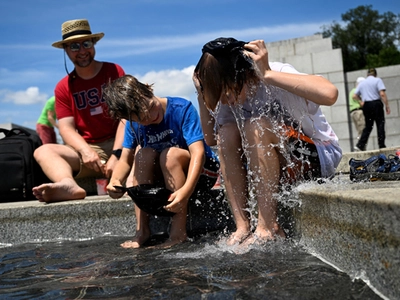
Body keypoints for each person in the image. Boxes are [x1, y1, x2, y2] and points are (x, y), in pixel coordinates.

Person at [193, 38, 342, 246]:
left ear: (245, 74)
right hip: (280, 166)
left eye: (229, 92)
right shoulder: (227, 96)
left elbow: (330, 94)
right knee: (226, 133)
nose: (227, 101)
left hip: (317, 156)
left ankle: (267, 227)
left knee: (255, 125)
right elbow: (211, 139)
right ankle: (243, 225)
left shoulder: (273, 72)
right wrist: (202, 94)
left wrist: (269, 74)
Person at [103, 75, 220, 249]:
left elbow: (198, 153)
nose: (151, 117)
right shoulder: (133, 125)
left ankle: (178, 232)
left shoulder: (181, 108)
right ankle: (142, 230)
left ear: (149, 90)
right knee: (143, 155)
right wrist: (115, 181)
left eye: (151, 107)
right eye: (142, 119)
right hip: (167, 177)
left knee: (170, 155)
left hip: (202, 173)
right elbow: (126, 159)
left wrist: (186, 191)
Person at [32, 19, 126, 203]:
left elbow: (126, 117)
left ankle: (126, 179)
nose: (82, 51)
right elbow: (66, 127)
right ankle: (68, 184)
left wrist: (117, 153)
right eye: (74, 46)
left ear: (94, 44)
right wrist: (86, 151)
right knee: (43, 151)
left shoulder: (113, 71)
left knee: (144, 146)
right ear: (66, 50)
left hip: (121, 142)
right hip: (90, 149)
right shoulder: (63, 86)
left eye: (86, 44)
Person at [353, 68, 390, 151]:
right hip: (376, 103)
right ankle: (381, 145)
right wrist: (387, 105)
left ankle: (360, 144)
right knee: (380, 124)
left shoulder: (362, 83)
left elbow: (354, 95)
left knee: (368, 126)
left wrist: (360, 100)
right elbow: (382, 94)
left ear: (367, 74)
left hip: (367, 105)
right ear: (375, 74)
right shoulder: (377, 80)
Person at [349, 77, 365, 144]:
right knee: (362, 128)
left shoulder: (352, 90)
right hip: (358, 111)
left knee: (359, 129)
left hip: (353, 112)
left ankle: (360, 144)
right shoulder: (356, 90)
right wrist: (361, 101)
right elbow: (354, 96)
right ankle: (360, 145)